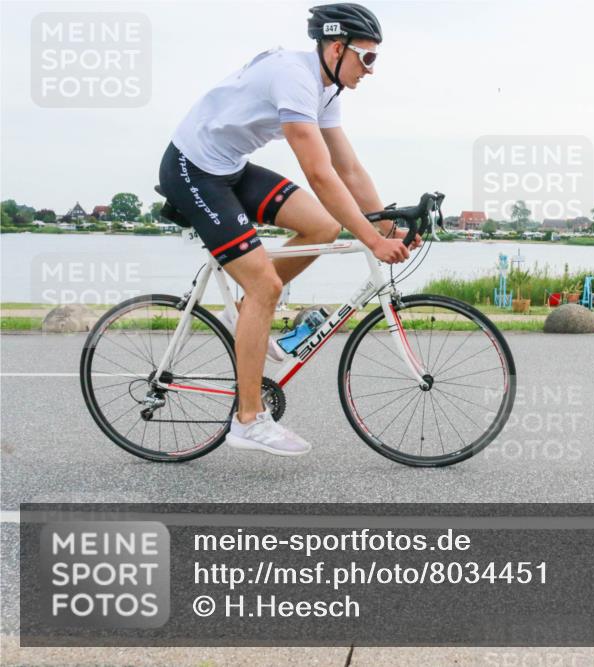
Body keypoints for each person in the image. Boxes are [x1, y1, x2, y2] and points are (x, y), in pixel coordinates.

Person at [158, 4, 419, 457]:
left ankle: (238, 317)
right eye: (368, 58)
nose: (371, 70)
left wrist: (389, 228)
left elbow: (348, 169)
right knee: (265, 284)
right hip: (192, 169)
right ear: (338, 48)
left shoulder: (326, 89)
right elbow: (319, 175)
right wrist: (372, 240)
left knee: (323, 224)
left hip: (230, 168)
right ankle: (248, 421)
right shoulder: (294, 78)